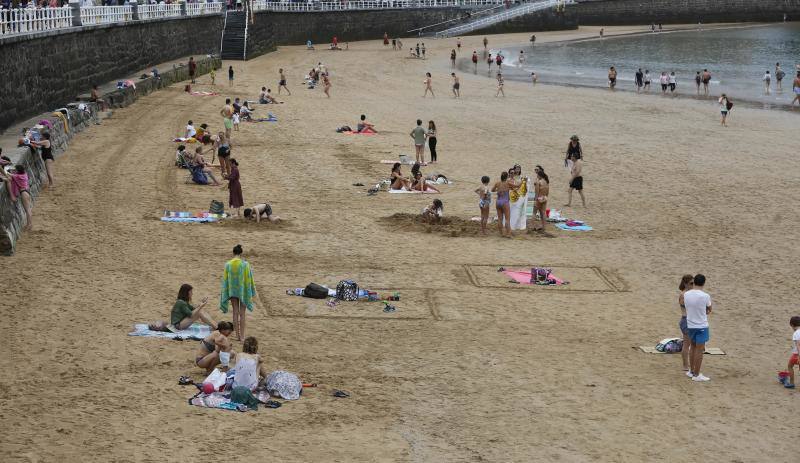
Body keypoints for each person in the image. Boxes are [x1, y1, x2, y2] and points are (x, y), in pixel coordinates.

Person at [220, 244, 258, 341]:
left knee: (235, 313)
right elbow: (250, 279)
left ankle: (236, 335)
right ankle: (242, 336)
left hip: (233, 291)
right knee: (242, 313)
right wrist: (252, 290)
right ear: (241, 253)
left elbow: (225, 281)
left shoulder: (228, 264)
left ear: (233, 253)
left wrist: (226, 291)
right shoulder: (245, 264)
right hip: (243, 291)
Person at [684, 274, 712, 382]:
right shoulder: (705, 296)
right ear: (703, 283)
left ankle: (691, 371)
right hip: (701, 325)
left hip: (690, 324)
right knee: (699, 350)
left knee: (693, 347)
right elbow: (709, 309)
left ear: (694, 282)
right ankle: (696, 374)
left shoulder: (686, 294)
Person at [0, 164, 33, 231]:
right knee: (28, 209)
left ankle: (29, 225)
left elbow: (7, 174)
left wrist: (5, 172)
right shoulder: (24, 175)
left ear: (18, 170)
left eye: (15, 170)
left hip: (23, 193)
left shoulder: (17, 176)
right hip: (26, 192)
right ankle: (29, 224)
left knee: (27, 210)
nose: (14, 170)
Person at [677, 275, 694, 373]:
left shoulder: (691, 294)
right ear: (685, 284)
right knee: (686, 344)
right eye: (691, 283)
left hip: (690, 320)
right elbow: (684, 305)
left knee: (692, 344)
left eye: (694, 283)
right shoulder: (683, 295)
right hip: (686, 320)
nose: (693, 285)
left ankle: (689, 365)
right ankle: (685, 365)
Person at [781, 316, 800, 389]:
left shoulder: (796, 333)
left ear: (792, 325)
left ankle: (791, 383)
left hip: (796, 355)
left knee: (790, 366)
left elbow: (798, 345)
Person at [492, 171, 512, 237]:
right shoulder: (508, 183)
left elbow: (492, 190)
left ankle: (501, 233)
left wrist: (498, 190)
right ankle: (508, 233)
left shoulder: (497, 183)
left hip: (498, 201)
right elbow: (517, 186)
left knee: (500, 219)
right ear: (507, 177)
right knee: (507, 219)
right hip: (505, 202)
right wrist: (522, 182)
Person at [508, 165, 528, 232]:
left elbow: (524, 185)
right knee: (511, 209)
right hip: (512, 195)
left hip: (519, 195)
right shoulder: (511, 177)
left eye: (519, 168)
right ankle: (511, 224)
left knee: (518, 210)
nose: (518, 170)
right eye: (516, 168)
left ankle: (517, 224)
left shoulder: (521, 177)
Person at [532, 167, 549, 231]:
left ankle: (532, 226)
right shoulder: (546, 182)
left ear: (539, 175)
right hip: (544, 198)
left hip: (539, 198)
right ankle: (544, 227)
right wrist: (545, 198)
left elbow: (536, 193)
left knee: (534, 213)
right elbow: (547, 192)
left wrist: (535, 200)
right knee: (543, 213)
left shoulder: (538, 182)